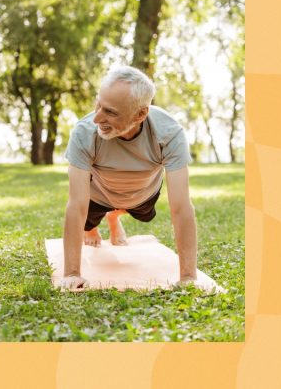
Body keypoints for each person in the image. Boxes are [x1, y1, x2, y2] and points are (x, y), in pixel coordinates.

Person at [59, 66, 197, 289]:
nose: (97, 118)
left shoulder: (169, 133)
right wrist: (72, 273)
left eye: (111, 112)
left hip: (141, 196)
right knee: (86, 222)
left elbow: (181, 207)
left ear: (141, 114)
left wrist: (188, 277)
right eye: (98, 104)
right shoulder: (84, 132)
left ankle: (114, 217)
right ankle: (96, 224)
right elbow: (76, 205)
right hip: (98, 196)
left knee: (144, 216)